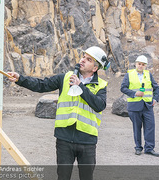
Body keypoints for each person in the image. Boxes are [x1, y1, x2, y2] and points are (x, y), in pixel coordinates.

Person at [7, 46, 109, 180]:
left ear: (95, 68)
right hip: (64, 139)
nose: (83, 60)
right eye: (83, 56)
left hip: (87, 141)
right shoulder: (66, 77)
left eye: (88, 59)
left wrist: (81, 87)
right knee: (63, 177)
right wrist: (20, 79)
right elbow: (42, 85)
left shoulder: (101, 85)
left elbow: (99, 105)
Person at [120, 55, 159, 156]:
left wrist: (155, 99)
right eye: (139, 64)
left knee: (150, 127)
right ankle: (138, 147)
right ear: (136, 64)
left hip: (147, 105)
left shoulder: (148, 74)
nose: (141, 66)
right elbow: (123, 88)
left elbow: (156, 88)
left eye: (143, 64)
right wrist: (134, 93)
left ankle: (149, 148)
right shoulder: (129, 74)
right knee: (137, 128)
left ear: (145, 65)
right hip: (134, 106)